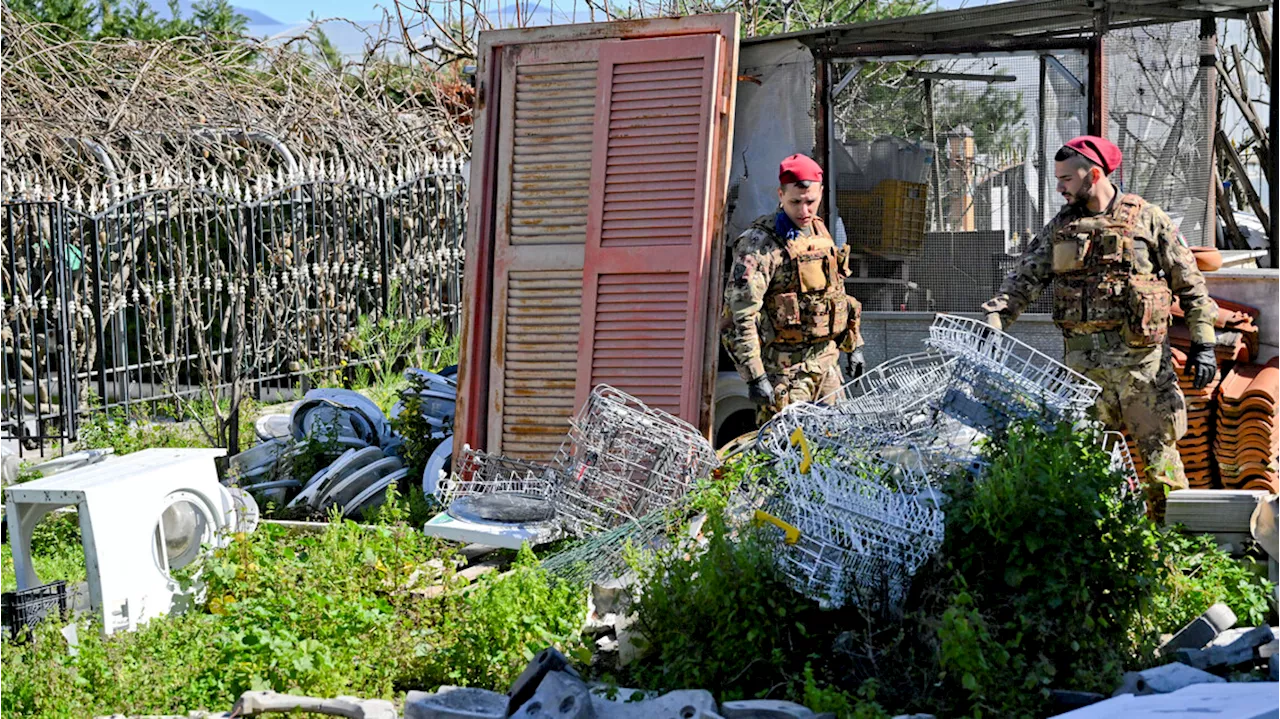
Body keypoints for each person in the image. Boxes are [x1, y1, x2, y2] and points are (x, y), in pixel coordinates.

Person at [981, 135, 1217, 521]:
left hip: (1142, 371)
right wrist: (994, 320)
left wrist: (1203, 342)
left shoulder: (1147, 219)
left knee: (1162, 468)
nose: (1059, 188)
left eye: (1066, 179)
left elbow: (1189, 283)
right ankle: (1095, 555)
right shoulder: (1061, 227)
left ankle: (1172, 556)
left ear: (1093, 174)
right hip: (1084, 372)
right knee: (1082, 468)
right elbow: (1022, 281)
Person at [721, 153, 864, 424]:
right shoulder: (759, 244)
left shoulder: (820, 232)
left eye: (811, 202)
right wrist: (755, 377)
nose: (804, 211)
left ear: (821, 193)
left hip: (826, 365)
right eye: (795, 202)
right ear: (780, 194)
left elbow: (836, 293)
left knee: (836, 449)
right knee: (786, 454)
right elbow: (738, 316)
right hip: (785, 373)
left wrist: (854, 344)